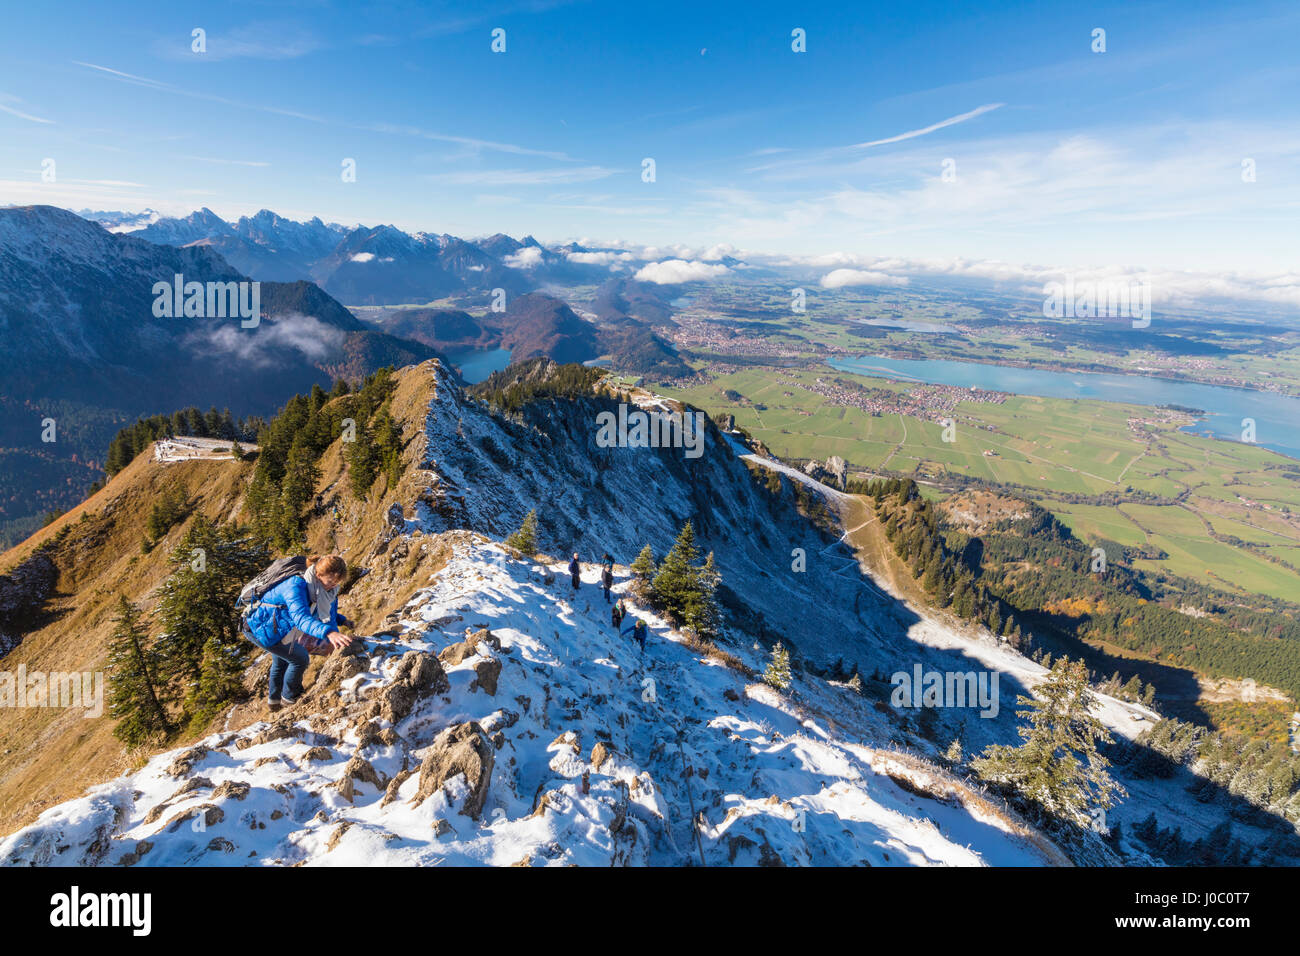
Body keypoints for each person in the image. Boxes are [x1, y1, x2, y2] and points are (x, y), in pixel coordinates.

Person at [242, 555, 354, 710]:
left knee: (281, 661)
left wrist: (342, 621)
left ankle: (274, 702)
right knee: (299, 659)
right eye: (330, 581)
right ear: (318, 574)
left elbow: (328, 613)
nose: (333, 586)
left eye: (337, 582)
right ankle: (290, 697)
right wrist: (329, 633)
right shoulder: (295, 585)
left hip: (280, 627)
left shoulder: (327, 591)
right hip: (259, 628)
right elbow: (301, 618)